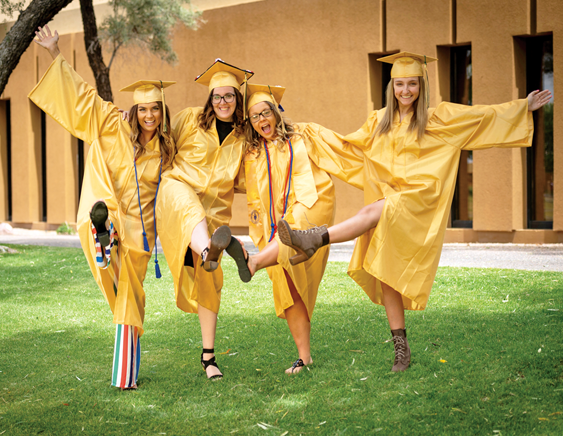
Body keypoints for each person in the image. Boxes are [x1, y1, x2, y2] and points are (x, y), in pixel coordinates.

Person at [277, 52, 552, 372]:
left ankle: (314, 239)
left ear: (421, 86)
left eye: (411, 84)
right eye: (399, 84)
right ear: (391, 86)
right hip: (390, 204)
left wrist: (522, 107)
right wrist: (303, 132)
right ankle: (401, 350)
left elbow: (482, 117)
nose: (405, 91)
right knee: (386, 267)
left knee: (375, 211)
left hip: (421, 201)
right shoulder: (378, 121)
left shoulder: (439, 119)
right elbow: (346, 146)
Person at [30, 25, 177, 389]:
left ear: (162, 111)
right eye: (143, 109)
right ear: (136, 109)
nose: (148, 116)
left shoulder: (168, 148)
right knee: (127, 295)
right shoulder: (113, 122)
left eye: (154, 110)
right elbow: (82, 97)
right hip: (112, 211)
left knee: (129, 296)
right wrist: (54, 52)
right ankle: (103, 234)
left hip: (141, 235)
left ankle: (103, 242)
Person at [228, 84, 349, 374]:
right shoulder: (251, 155)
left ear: (276, 112)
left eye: (265, 113)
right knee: (290, 282)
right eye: (255, 117)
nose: (261, 120)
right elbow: (225, 177)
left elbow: (344, 149)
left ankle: (253, 261)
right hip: (275, 225)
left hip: (309, 207)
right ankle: (303, 357)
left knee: (291, 232)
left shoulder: (304, 135)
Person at [155, 60, 253, 379]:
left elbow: (249, 178)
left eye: (229, 96)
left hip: (214, 215)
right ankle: (208, 250)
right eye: (217, 97)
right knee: (189, 206)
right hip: (177, 190)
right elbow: (159, 141)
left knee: (210, 283)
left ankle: (209, 357)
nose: (223, 102)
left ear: (238, 100)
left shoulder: (243, 137)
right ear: (209, 99)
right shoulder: (188, 119)